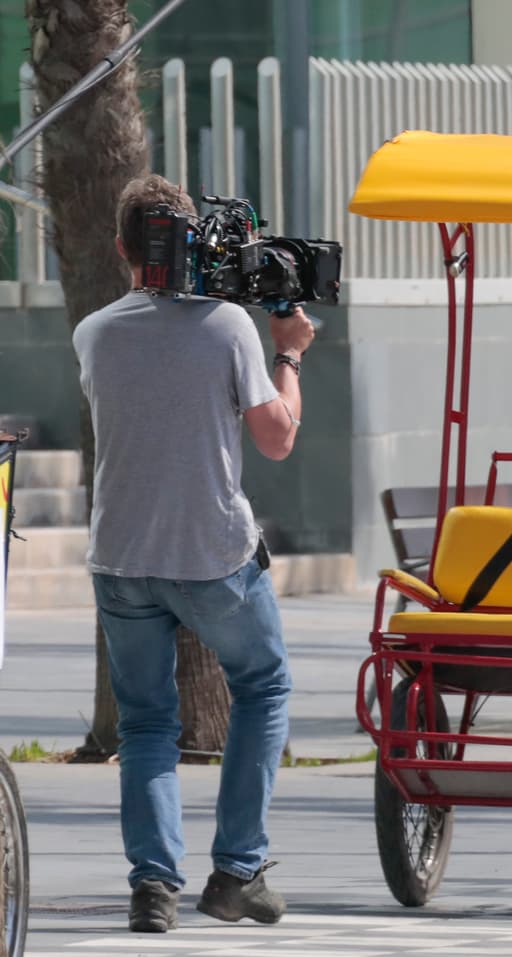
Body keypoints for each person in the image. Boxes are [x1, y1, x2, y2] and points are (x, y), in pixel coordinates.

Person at [73, 174, 314, 933]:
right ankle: (238, 870)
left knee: (146, 724)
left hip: (120, 555)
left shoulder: (94, 331)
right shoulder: (230, 327)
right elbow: (276, 439)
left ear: (122, 249)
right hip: (212, 555)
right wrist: (291, 357)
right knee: (265, 686)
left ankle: (153, 886)